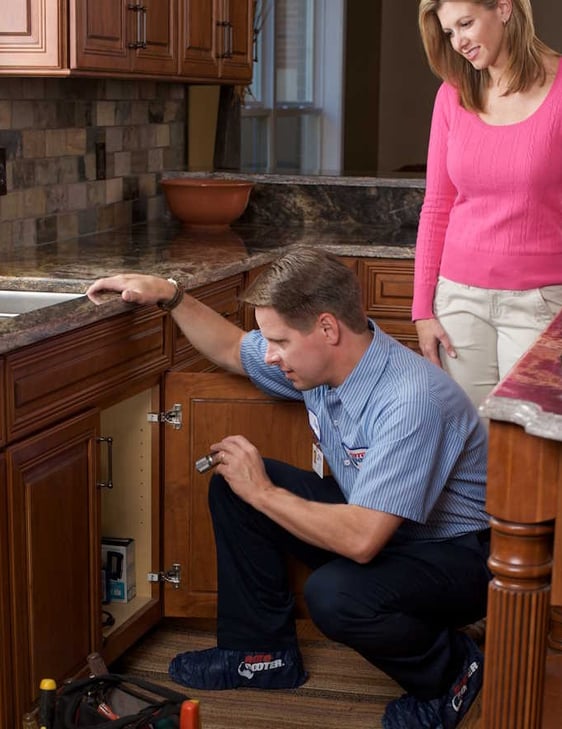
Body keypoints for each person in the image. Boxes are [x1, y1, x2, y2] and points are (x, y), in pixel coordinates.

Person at [87, 246, 491, 729]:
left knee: (335, 595)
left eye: (278, 341)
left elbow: (363, 541)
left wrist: (264, 492)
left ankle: (452, 673)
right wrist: (170, 296)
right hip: (385, 528)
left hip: (455, 555)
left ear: (326, 328)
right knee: (234, 486)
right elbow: (230, 348)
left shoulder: (411, 398)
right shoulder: (322, 367)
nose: (271, 355)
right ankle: (261, 656)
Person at [414, 0, 562, 409]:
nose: (458, 42)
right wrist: (423, 310)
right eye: (448, 32)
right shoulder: (452, 95)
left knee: (529, 458)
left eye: (466, 24)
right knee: (470, 451)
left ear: (503, 8)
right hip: (458, 302)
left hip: (542, 304)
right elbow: (437, 206)